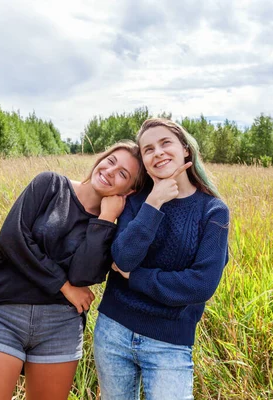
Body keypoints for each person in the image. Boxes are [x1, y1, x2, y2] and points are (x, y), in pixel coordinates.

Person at [0, 141, 144, 400]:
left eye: (123, 174)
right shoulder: (49, 185)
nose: (110, 171)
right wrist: (65, 287)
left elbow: (82, 275)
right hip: (2, 312)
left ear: (130, 190)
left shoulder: (109, 231)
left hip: (60, 326)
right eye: (111, 161)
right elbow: (12, 240)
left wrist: (104, 220)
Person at [94, 118, 230, 400]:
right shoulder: (137, 201)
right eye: (148, 149)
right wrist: (154, 201)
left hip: (170, 342)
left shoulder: (213, 211)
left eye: (165, 143)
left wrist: (135, 277)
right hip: (113, 332)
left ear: (185, 150)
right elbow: (123, 257)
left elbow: (200, 285)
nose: (158, 153)